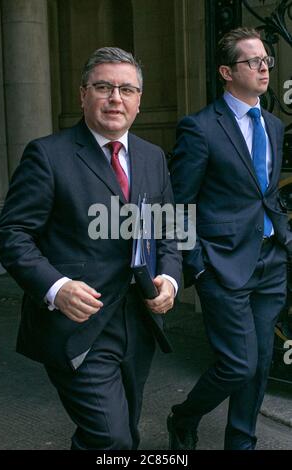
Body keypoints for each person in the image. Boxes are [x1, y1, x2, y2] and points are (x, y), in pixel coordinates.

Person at [0, 47, 182, 450]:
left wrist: (170, 279)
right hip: (78, 326)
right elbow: (12, 234)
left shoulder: (152, 158)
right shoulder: (47, 155)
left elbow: (168, 230)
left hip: (139, 322)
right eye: (104, 87)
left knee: (125, 431)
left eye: (126, 89)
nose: (116, 97)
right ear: (83, 95)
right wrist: (56, 287)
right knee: (109, 438)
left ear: (139, 100)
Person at [168, 27, 291, 450]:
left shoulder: (273, 125)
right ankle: (183, 416)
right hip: (222, 266)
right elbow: (179, 205)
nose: (263, 68)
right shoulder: (200, 128)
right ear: (226, 71)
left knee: (258, 367)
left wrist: (285, 238)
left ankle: (241, 443)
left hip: (270, 261)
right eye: (252, 61)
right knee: (238, 365)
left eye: (266, 61)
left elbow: (266, 193)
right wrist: (197, 264)